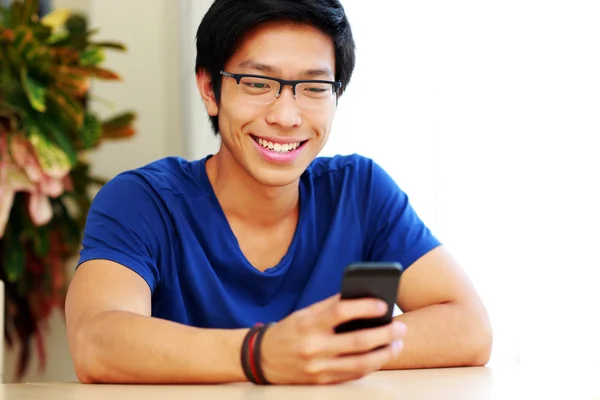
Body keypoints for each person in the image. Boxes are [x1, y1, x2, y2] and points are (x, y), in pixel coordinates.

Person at [65, 0, 492, 385]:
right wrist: (262, 355)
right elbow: (96, 342)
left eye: (314, 87)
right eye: (257, 83)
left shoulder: (359, 191)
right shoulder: (143, 201)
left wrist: (327, 355)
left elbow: (469, 327)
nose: (287, 117)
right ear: (210, 89)